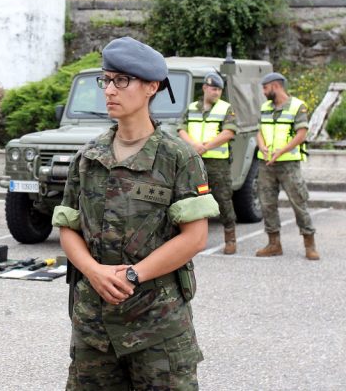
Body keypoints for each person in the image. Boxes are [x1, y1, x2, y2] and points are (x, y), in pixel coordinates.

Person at [52, 36, 219, 389]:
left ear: (151, 87)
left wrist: (133, 275)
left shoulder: (178, 157)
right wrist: (93, 271)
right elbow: (68, 226)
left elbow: (195, 237)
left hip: (157, 325)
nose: (110, 90)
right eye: (107, 80)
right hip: (94, 327)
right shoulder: (88, 157)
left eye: (122, 81)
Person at [254, 72, 319, 260]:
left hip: (288, 164)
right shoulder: (265, 107)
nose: (264, 92)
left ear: (276, 86)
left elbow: (301, 134)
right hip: (266, 164)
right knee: (267, 204)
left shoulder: (297, 106)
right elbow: (259, 131)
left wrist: (280, 152)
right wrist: (262, 146)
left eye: (265, 88)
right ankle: (274, 244)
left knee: (298, 203)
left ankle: (309, 244)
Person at [178, 73, 239, 254]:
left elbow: (229, 132)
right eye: (213, 89)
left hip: (217, 164)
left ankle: (230, 238)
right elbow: (181, 129)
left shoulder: (226, 108)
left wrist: (205, 147)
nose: (216, 92)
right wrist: (194, 145)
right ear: (204, 88)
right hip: (194, 161)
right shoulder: (191, 108)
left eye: (219, 90)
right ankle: (192, 238)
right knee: (192, 199)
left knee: (223, 199)